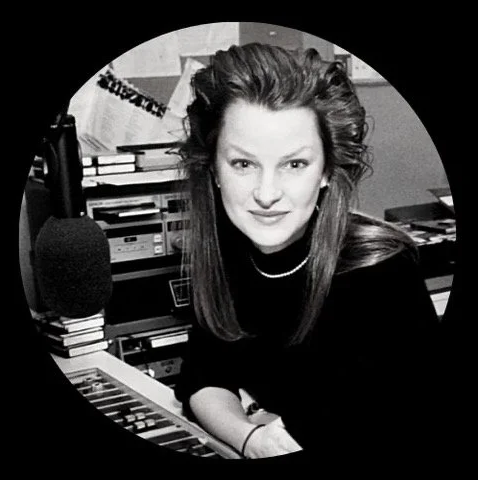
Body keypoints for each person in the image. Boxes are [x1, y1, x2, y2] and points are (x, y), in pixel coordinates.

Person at [173, 43, 441, 460]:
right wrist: (250, 438)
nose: (266, 194)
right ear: (214, 170)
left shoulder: (380, 273)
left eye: (294, 164)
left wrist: (257, 422)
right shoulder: (229, 250)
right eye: (243, 164)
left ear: (327, 172)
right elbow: (202, 378)